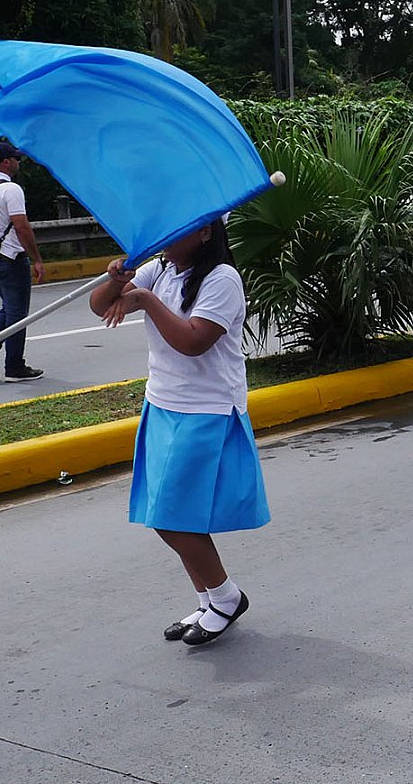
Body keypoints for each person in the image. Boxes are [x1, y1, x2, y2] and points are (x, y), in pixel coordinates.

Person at [88, 218, 269, 643]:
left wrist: (146, 300)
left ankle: (226, 598)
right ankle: (208, 601)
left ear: (205, 233)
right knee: (173, 513)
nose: (166, 237)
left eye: (178, 229)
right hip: (162, 404)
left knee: (170, 515)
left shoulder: (222, 279)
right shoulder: (161, 268)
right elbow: (100, 306)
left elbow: (192, 342)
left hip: (206, 410)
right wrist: (116, 280)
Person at [0, 142, 45, 382]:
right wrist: (37, 259)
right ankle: (14, 366)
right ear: (6, 162)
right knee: (17, 313)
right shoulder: (10, 189)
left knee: (10, 307)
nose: (18, 162)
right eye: (15, 158)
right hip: (11, 258)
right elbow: (22, 227)